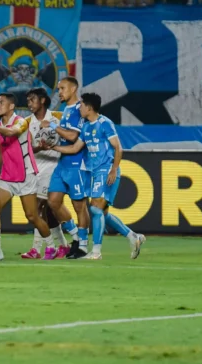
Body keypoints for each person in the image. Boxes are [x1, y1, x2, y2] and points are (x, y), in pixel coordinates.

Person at [52, 93, 145, 260]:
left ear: (89, 108)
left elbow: (118, 147)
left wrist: (114, 170)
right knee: (103, 213)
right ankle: (133, 236)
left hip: (106, 170)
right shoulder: (86, 127)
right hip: (94, 172)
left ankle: (96, 252)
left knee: (95, 209)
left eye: (81, 105)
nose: (79, 108)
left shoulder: (105, 123)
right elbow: (74, 148)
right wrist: (53, 147)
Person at [0, 93, 52, 263]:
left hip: (26, 175)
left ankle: (51, 246)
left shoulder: (21, 121)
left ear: (11, 106)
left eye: (1, 102)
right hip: (6, 177)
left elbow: (12, 132)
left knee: (32, 216)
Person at [21, 88, 71, 260]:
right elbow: (26, 149)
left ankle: (37, 249)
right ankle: (64, 245)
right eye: (28, 100)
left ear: (42, 100)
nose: (29, 103)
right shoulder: (26, 123)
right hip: (34, 170)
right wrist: (39, 148)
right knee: (48, 212)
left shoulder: (58, 117)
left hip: (52, 168)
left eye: (32, 99)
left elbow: (72, 135)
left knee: (36, 209)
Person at [47, 77, 90, 258]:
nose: (59, 92)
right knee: (53, 201)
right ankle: (75, 236)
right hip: (63, 162)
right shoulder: (66, 110)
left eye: (62, 88)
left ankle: (83, 246)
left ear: (73, 89)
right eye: (58, 89)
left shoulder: (80, 109)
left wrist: (52, 126)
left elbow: (73, 136)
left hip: (77, 164)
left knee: (79, 206)